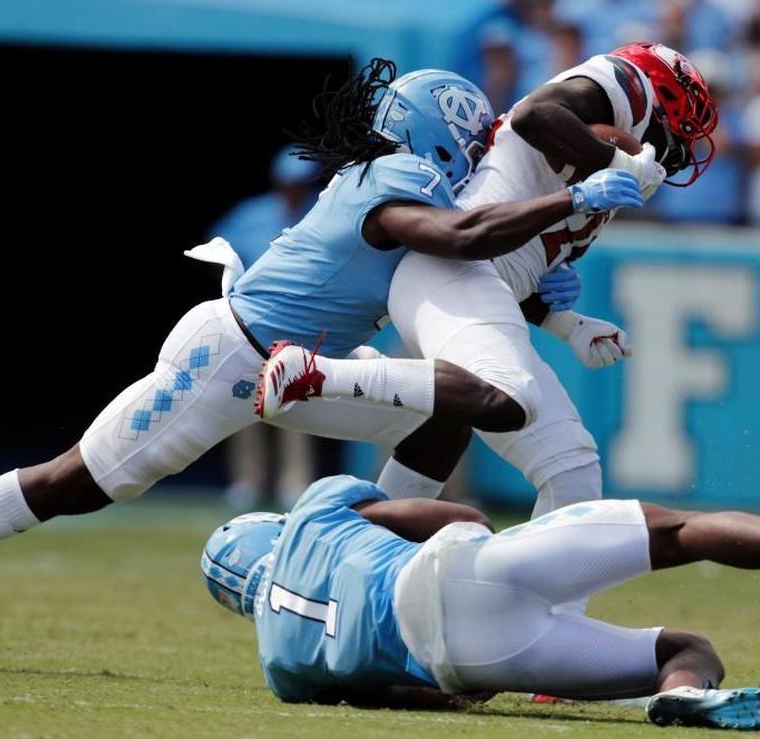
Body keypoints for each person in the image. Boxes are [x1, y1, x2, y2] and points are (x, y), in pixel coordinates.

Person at [0, 60, 649, 661]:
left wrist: (564, 314)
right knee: (79, 480)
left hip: (297, 365)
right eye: (474, 140)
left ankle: (367, 575)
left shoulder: (400, 175)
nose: (481, 156)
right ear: (437, 132)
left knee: (449, 408)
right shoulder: (391, 176)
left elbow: (490, 264)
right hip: (231, 354)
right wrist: (580, 197)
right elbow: (462, 239)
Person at [259, 42, 714, 523]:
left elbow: (511, 269)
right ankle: (317, 373)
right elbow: (535, 115)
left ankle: (359, 544)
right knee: (511, 395)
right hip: (451, 267)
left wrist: (566, 323)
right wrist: (612, 160)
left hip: (473, 281)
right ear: (663, 99)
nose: (685, 148)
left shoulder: (610, 156)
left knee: (572, 470)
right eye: (686, 127)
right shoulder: (622, 88)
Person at [200, 474, 760, 730]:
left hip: (466, 662)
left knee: (688, 652)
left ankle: (680, 697)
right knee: (678, 530)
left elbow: (383, 696)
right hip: (455, 571)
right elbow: (453, 518)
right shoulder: (313, 511)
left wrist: (462, 688)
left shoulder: (279, 668)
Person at [208, 145, 325, 509]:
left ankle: (295, 481)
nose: (294, 190)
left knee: (296, 402)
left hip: (300, 325)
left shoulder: (321, 214)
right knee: (244, 398)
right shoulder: (251, 214)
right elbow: (219, 252)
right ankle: (248, 480)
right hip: (249, 323)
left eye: (301, 183)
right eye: (288, 183)